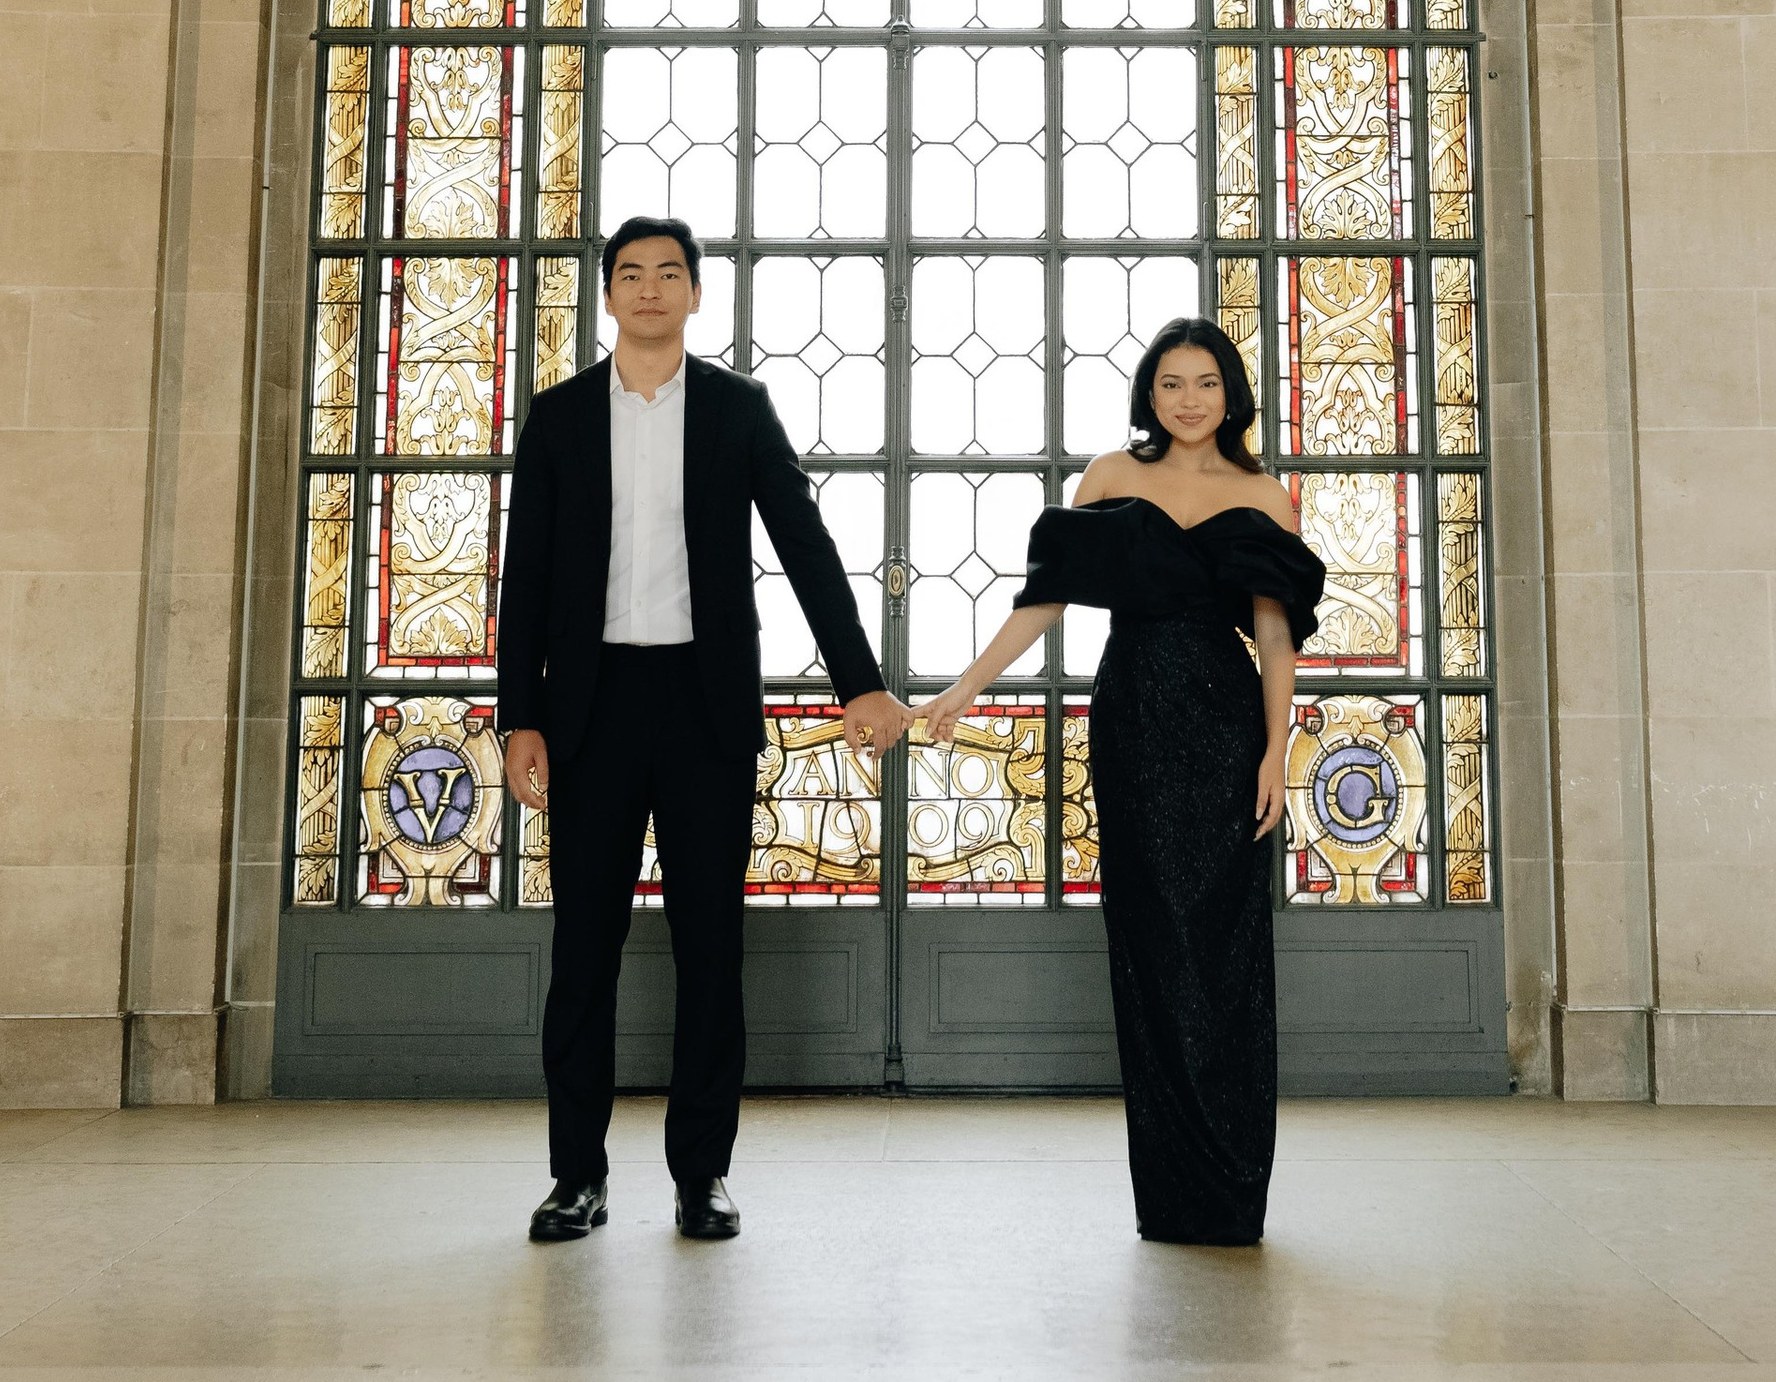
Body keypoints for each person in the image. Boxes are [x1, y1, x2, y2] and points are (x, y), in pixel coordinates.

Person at [497, 214, 910, 1242]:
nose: (648, 290)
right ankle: (574, 1178)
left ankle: (700, 1175)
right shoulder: (557, 420)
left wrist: (859, 682)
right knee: (583, 952)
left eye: (667, 274)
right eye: (629, 274)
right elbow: (527, 581)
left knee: (709, 951)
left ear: (694, 294)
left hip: (702, 709)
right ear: (607, 296)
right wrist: (520, 720)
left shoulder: (736, 411)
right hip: (587, 715)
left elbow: (806, 550)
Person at [923, 319, 1322, 1244]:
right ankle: (1172, 1194)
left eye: (1208, 383)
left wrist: (1275, 753)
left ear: (1233, 395)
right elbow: (1045, 604)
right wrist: (961, 689)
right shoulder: (1109, 475)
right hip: (1134, 716)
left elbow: (1273, 639)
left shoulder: (1266, 495)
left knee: (1222, 946)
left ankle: (1230, 1190)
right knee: (1150, 940)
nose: (1190, 400)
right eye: (1171, 383)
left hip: (1225, 723)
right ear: (1150, 395)